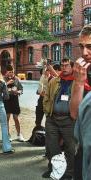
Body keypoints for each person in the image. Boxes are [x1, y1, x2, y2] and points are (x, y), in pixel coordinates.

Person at [42, 58, 75, 179]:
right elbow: (46, 97)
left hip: (68, 121)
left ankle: (69, 172)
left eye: (67, 65)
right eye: (62, 65)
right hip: (52, 119)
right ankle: (53, 169)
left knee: (70, 147)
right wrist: (47, 113)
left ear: (72, 67)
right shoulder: (54, 81)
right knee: (51, 146)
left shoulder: (76, 82)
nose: (64, 68)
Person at [70, 25, 91, 180]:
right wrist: (78, 83)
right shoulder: (83, 73)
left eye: (90, 47)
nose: (84, 53)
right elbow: (74, 113)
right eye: (82, 47)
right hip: (83, 150)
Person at [3, 64, 24, 142]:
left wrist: (18, 92)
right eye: (9, 72)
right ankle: (8, 135)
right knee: (7, 118)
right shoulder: (3, 79)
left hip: (15, 99)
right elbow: (1, 89)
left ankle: (19, 134)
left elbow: (21, 89)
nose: (11, 74)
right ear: (6, 72)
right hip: (6, 100)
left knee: (16, 118)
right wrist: (7, 83)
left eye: (12, 72)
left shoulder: (16, 79)